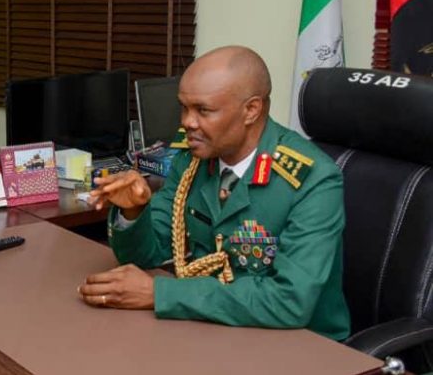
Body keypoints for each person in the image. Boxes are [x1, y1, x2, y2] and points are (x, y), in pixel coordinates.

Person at [81, 46, 350, 340]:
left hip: (298, 343)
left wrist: (160, 293)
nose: (187, 122)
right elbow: (146, 254)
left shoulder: (313, 179)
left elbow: (291, 300)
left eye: (203, 110)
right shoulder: (192, 159)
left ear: (251, 110)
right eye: (184, 107)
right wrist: (133, 212)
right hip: (211, 325)